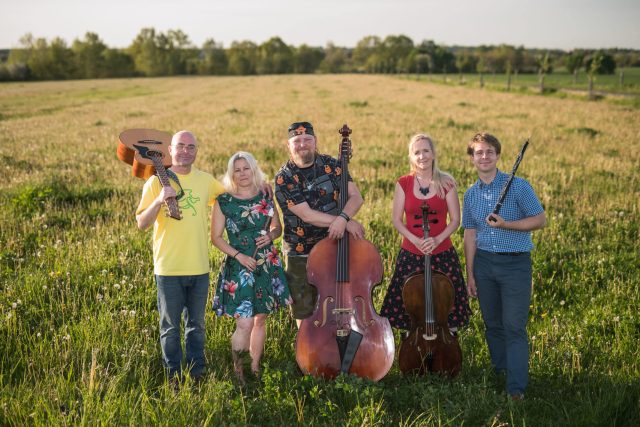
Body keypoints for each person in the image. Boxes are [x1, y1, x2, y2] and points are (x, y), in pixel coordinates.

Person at [135, 130, 225, 384]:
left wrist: (257, 185)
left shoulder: (206, 181)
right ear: (170, 151)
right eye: (181, 146)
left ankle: (197, 373)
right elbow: (142, 223)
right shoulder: (155, 183)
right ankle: (173, 376)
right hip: (168, 268)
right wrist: (158, 202)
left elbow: (230, 198)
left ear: (196, 151)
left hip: (199, 267)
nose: (186, 151)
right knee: (171, 328)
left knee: (196, 326)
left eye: (191, 147)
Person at [462, 132, 546, 400]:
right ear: (472, 158)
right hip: (484, 264)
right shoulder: (471, 194)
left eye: (489, 152)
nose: (484, 157)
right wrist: (470, 274)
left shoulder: (517, 186)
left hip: (515, 265)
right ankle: (501, 370)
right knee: (493, 324)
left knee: (513, 326)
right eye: (479, 152)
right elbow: (470, 234)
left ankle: (516, 388)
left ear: (498, 156)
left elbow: (540, 219)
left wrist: (506, 224)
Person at [211, 151, 292, 384]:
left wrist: (271, 236)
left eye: (246, 168)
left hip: (265, 264)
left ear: (254, 169)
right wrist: (238, 256)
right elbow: (216, 237)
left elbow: (277, 227)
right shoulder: (224, 201)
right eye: (237, 169)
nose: (242, 173)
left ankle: (255, 368)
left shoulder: (265, 196)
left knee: (260, 319)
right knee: (244, 322)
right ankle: (239, 374)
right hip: (240, 266)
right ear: (231, 173)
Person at [274, 121, 365, 324]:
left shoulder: (333, 165)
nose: (303, 144)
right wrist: (344, 222)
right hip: (300, 251)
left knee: (336, 302)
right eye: (297, 141)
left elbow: (356, 197)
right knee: (304, 310)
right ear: (288, 145)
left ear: (315, 142)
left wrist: (343, 219)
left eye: (307, 139)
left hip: (334, 245)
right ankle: (307, 353)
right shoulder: (283, 177)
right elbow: (307, 215)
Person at [381, 134, 471, 335]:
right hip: (411, 254)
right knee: (409, 310)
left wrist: (437, 239)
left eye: (425, 151)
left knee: (447, 309)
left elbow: (456, 220)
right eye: (417, 152)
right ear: (411, 157)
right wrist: (416, 240)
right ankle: (412, 352)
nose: (422, 156)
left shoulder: (447, 182)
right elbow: (397, 220)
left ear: (433, 154)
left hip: (443, 254)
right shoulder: (403, 183)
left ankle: (448, 353)